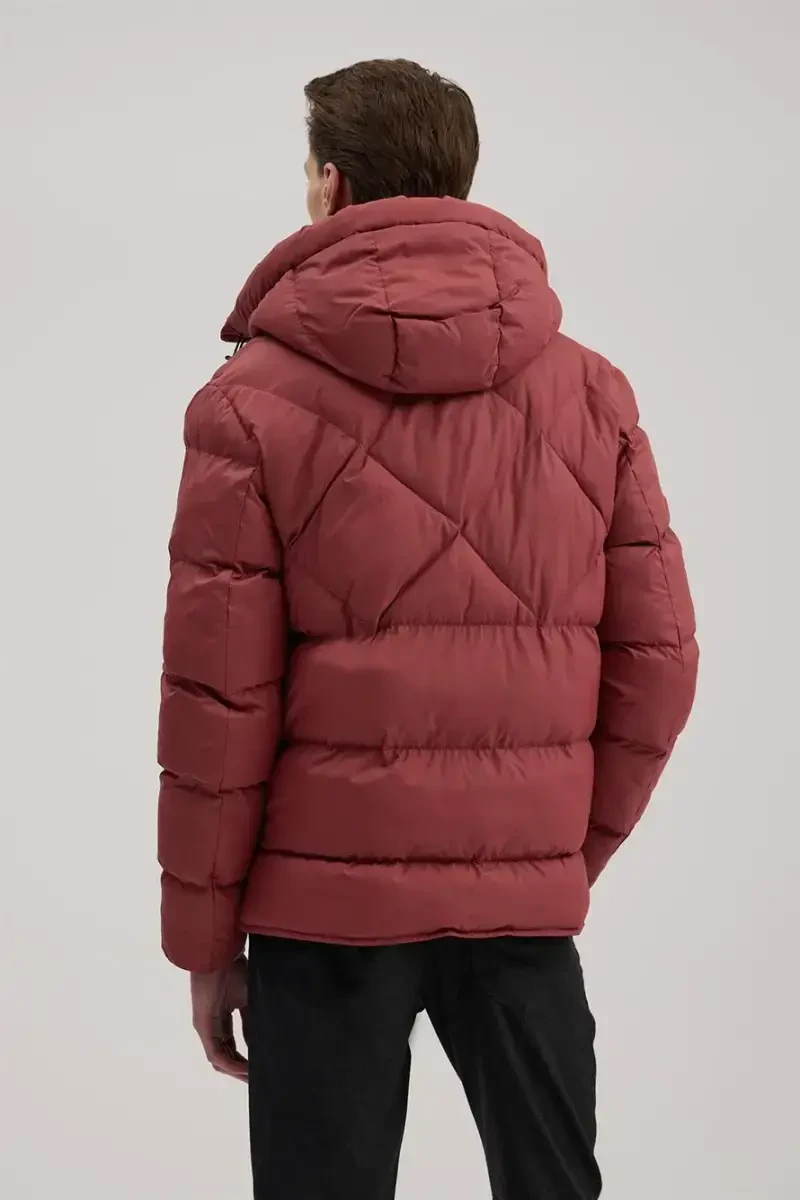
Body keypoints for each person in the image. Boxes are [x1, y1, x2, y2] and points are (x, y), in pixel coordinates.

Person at [157, 58, 698, 1200]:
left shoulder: (248, 404)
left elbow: (217, 706)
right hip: (521, 920)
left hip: (323, 916)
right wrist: (547, 852)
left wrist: (205, 943)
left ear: (332, 184)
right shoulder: (591, 392)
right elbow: (659, 667)